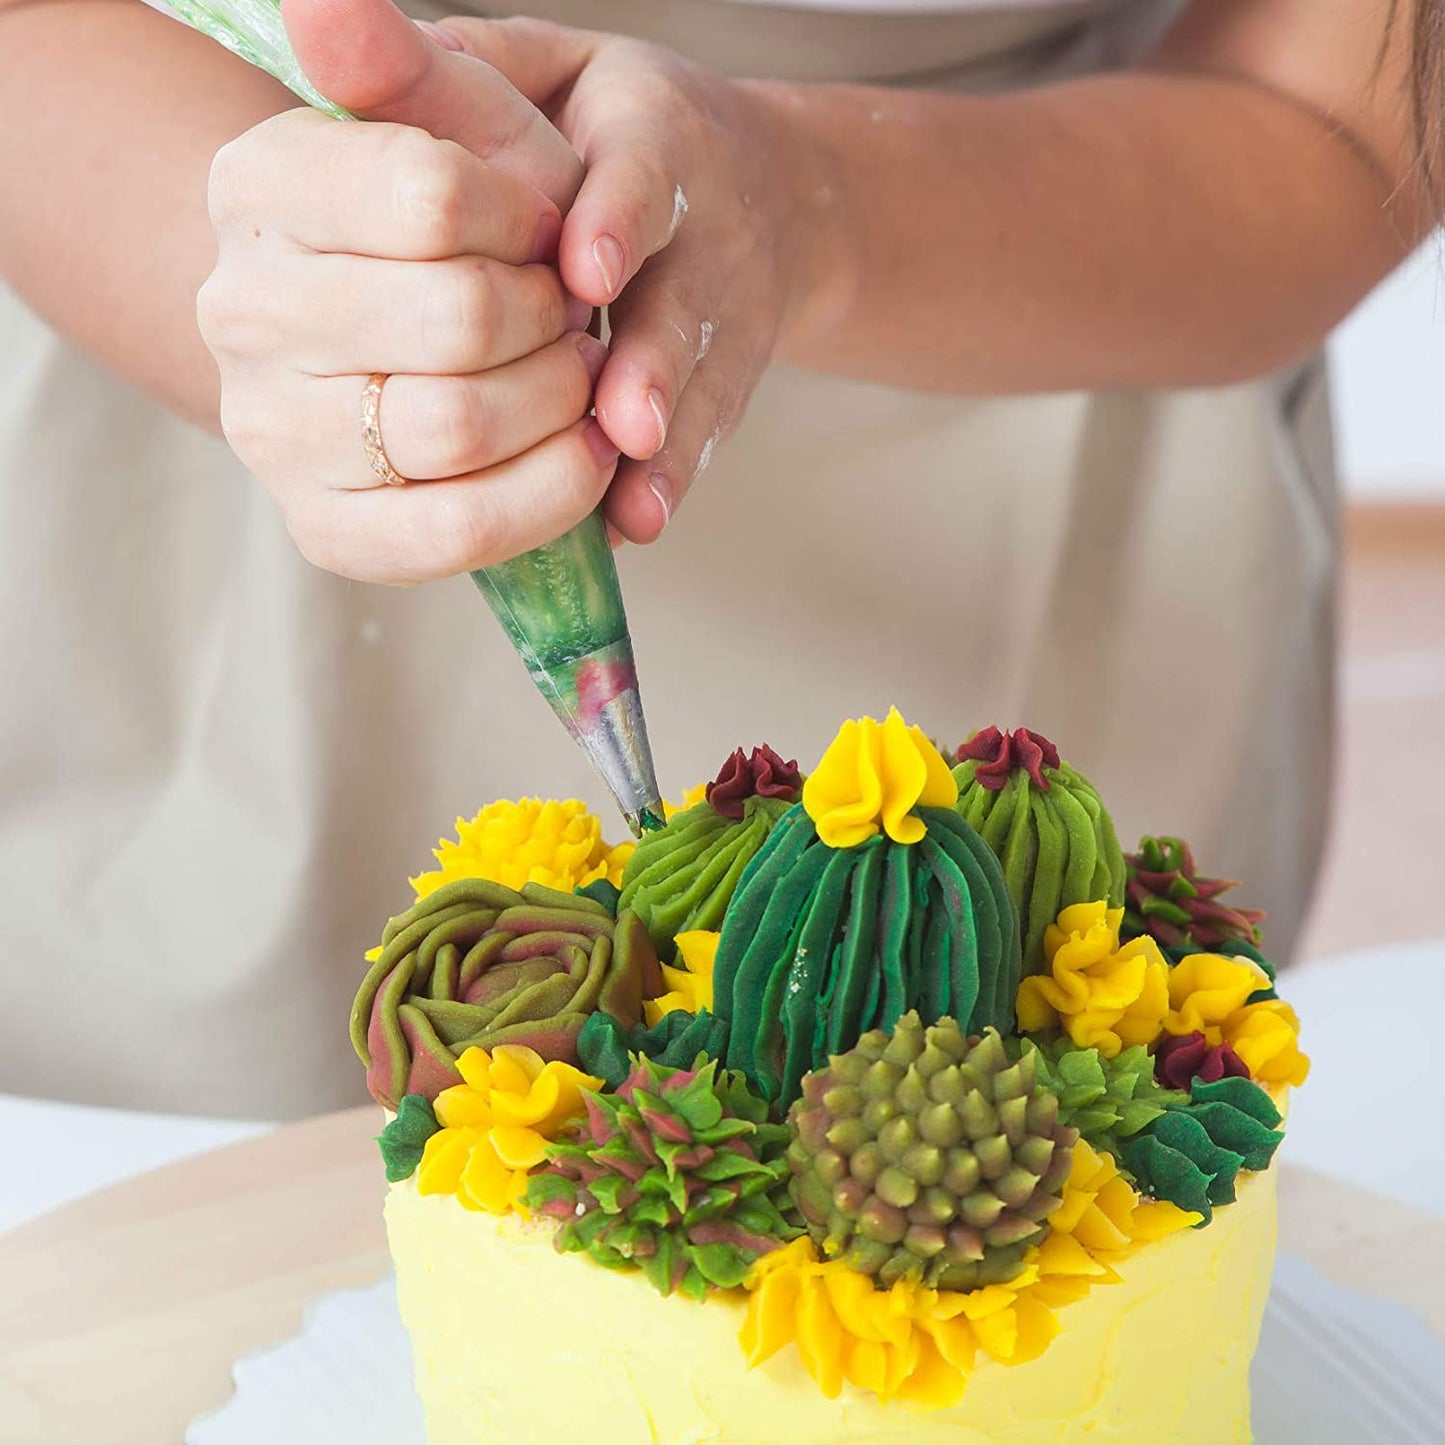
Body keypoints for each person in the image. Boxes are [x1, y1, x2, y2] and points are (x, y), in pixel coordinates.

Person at [0, 0, 1434, 1118]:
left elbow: (1345, 124)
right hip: (204, 388)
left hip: (1066, 325)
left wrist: (800, 198)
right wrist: (307, 316)